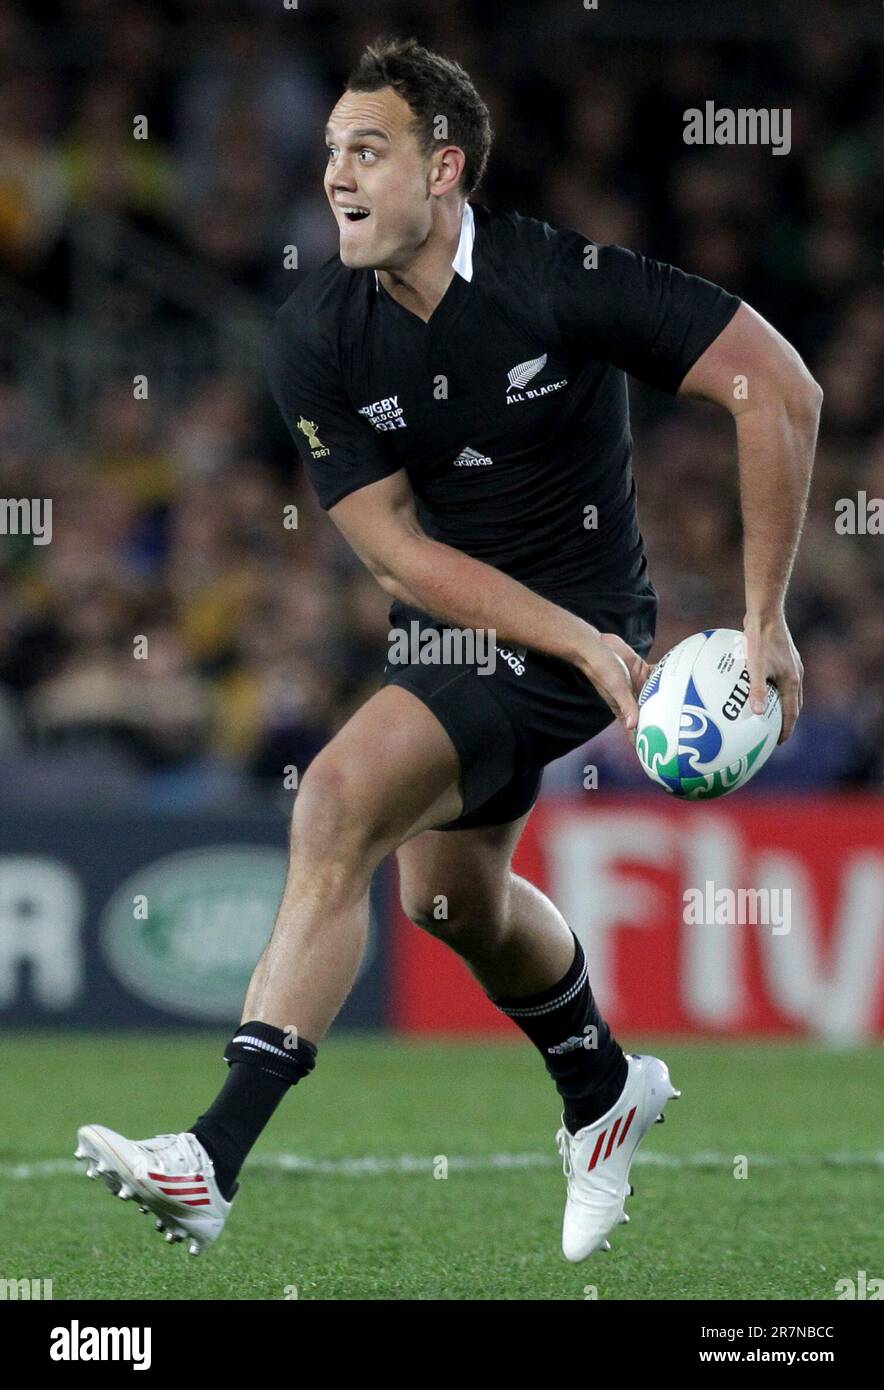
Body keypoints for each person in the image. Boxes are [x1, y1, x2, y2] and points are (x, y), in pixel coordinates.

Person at [76, 36, 820, 1264]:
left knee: (335, 801)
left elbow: (775, 389)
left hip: (589, 614)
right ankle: (602, 1093)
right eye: (329, 154)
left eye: (366, 150)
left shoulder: (555, 278)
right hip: (478, 626)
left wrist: (762, 616)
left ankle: (209, 1157)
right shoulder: (316, 330)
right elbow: (392, 553)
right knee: (445, 898)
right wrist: (566, 643)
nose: (335, 176)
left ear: (444, 171)